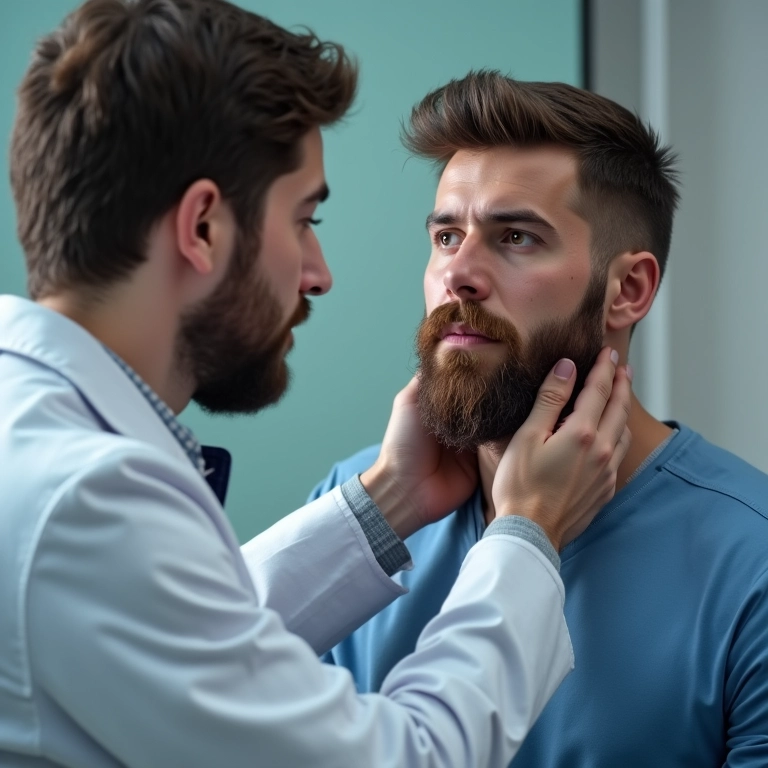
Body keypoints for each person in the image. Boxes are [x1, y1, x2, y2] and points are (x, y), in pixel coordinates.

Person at [0, 2, 634, 767]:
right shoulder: (87, 497)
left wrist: (386, 503)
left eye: (516, 237)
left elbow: (191, 656)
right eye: (304, 221)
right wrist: (527, 532)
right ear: (202, 228)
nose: (319, 275)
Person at [313, 71, 768, 767]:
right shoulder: (356, 516)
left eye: (516, 237)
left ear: (629, 289)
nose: (457, 275)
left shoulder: (752, 561)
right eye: (445, 236)